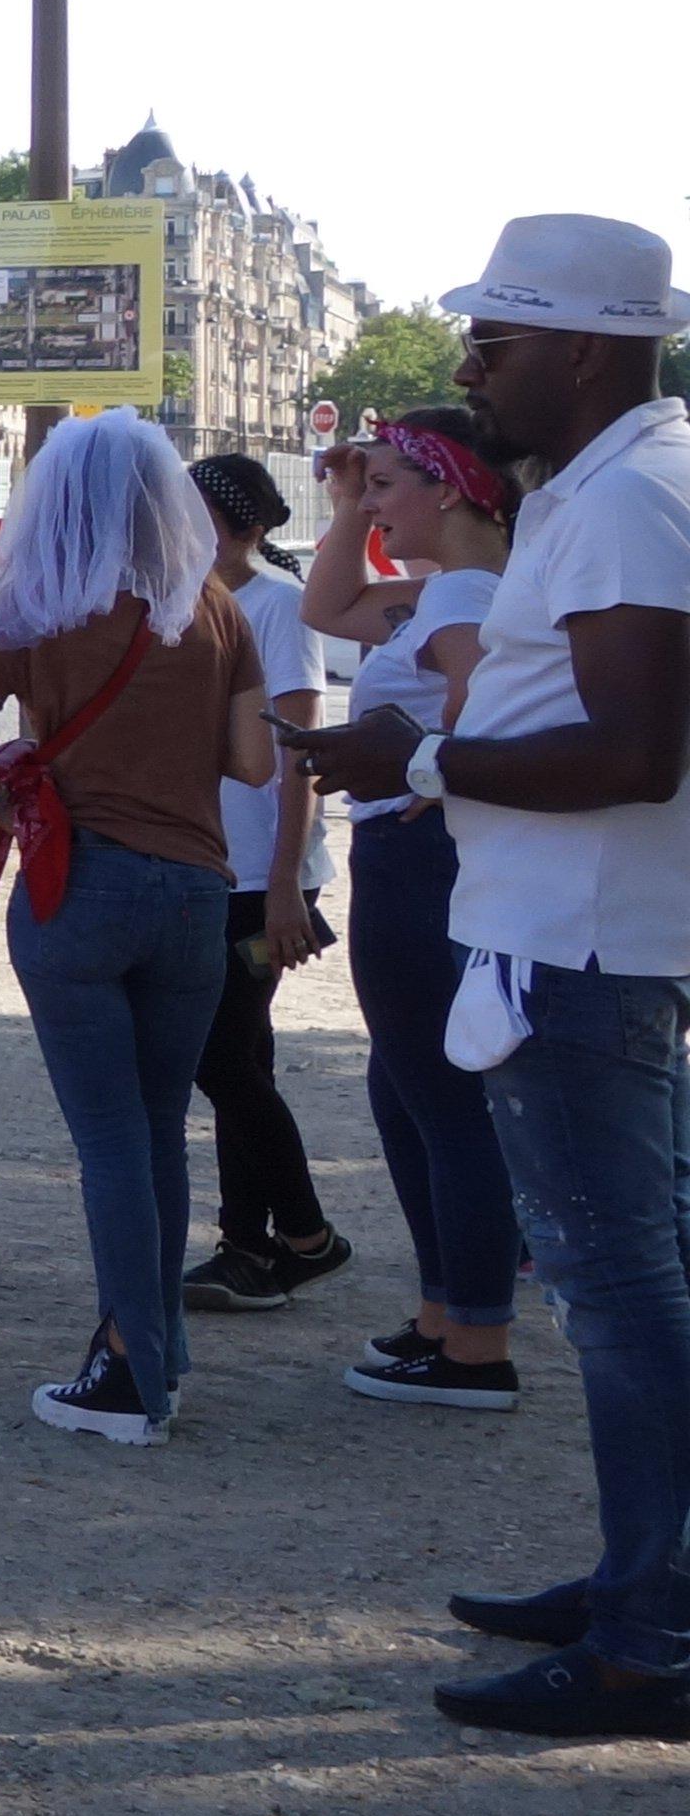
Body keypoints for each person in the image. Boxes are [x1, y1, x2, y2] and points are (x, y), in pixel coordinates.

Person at [295, 217, 690, 1739]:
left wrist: (426, 756)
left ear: (584, 349)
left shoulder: (629, 499)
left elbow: (637, 749)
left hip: (582, 949)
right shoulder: (612, 484)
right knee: (633, 1280)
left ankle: (647, 1634)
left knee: (621, 1291)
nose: (470, 367)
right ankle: (642, 1581)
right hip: (579, 938)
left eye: (496, 342)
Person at [0, 412, 270, 1448]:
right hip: (196, 887)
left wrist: (1, 800)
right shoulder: (212, 610)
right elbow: (254, 765)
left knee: (109, 1140)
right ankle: (155, 1350)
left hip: (79, 886)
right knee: (162, 1130)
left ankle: (128, 1371)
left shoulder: (33, 605)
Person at [297, 414, 516, 1414]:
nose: (374, 500)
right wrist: (343, 502)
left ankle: (473, 1338)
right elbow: (331, 600)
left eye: (386, 483)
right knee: (409, 1088)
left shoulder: (461, 597)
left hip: (420, 854)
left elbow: (477, 689)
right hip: (415, 850)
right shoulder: (446, 591)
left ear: (453, 489)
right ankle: (447, 1317)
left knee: (439, 1099)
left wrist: (434, 778)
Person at [179, 454, 351, 1312]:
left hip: (261, 874)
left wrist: (287, 885)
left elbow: (301, 756)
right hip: (210, 862)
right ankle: (249, 1246)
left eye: (195, 512)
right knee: (244, 1055)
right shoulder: (188, 602)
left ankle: (308, 1234)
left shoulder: (278, 605)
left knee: (218, 1057)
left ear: (243, 523)